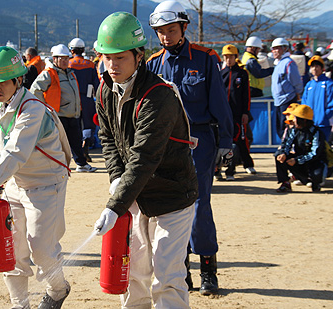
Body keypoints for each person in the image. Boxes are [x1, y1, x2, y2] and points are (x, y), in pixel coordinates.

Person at [93, 12, 198, 308]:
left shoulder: (158, 96)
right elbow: (108, 137)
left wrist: (115, 206)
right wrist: (116, 178)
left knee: (166, 275)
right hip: (135, 196)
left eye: (121, 57)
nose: (112, 65)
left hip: (172, 196)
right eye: (107, 57)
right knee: (134, 273)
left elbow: (144, 157)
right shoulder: (104, 90)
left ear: (139, 56)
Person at [0, 46, 72, 309]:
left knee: (42, 249)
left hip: (46, 184)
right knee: (12, 249)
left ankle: (58, 289)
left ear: (18, 80)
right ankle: (20, 304)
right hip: (14, 184)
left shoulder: (33, 108)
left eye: (2, 81)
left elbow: (16, 152)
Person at [146, 0, 234, 295]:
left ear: (183, 27)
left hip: (200, 140)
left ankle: (208, 268)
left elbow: (220, 103)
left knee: (198, 205)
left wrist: (226, 141)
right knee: (169, 206)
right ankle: (180, 271)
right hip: (165, 142)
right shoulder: (152, 64)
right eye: (160, 32)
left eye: (171, 30)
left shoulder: (206, 58)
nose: (166, 36)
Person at [30, 44, 96, 172]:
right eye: (62, 58)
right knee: (58, 144)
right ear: (55, 59)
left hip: (73, 114)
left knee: (76, 141)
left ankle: (81, 164)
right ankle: (57, 166)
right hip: (59, 115)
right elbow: (35, 89)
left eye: (67, 58)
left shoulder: (71, 73)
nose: (66, 61)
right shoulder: (49, 74)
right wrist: (46, 108)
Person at [220, 45, 256, 180]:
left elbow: (246, 95)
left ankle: (248, 163)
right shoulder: (220, 74)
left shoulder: (242, 73)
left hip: (238, 114)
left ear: (236, 57)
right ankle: (227, 169)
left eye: (231, 56)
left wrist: (245, 112)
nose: (228, 59)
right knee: (226, 142)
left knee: (241, 139)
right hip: (224, 115)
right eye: (226, 57)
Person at [274, 105, 326, 193]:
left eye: (295, 118)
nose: (293, 120)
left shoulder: (316, 132)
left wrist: (297, 160)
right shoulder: (293, 130)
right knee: (278, 155)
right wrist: (283, 153)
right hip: (298, 161)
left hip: (314, 163)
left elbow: (315, 153)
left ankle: (315, 182)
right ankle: (285, 183)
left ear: (303, 120)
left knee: (317, 174)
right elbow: (286, 144)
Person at [68, 37, 100, 162]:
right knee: (88, 124)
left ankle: (76, 152)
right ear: (82, 50)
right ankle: (86, 146)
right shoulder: (91, 65)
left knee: (73, 126)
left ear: (72, 50)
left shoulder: (69, 64)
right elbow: (96, 84)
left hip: (72, 99)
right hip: (87, 98)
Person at [271, 37, 303, 139]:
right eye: (273, 48)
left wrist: (298, 93)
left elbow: (296, 81)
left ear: (285, 48)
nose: (274, 51)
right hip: (278, 101)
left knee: (287, 128)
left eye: (278, 48)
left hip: (287, 100)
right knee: (280, 128)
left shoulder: (289, 63)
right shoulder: (279, 63)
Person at [301, 55, 333, 141]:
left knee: (323, 147)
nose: (314, 69)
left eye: (317, 66)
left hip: (323, 124)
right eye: (312, 66)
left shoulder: (329, 84)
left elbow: (332, 103)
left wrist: (324, 117)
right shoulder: (309, 85)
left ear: (322, 68)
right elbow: (304, 102)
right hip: (310, 123)